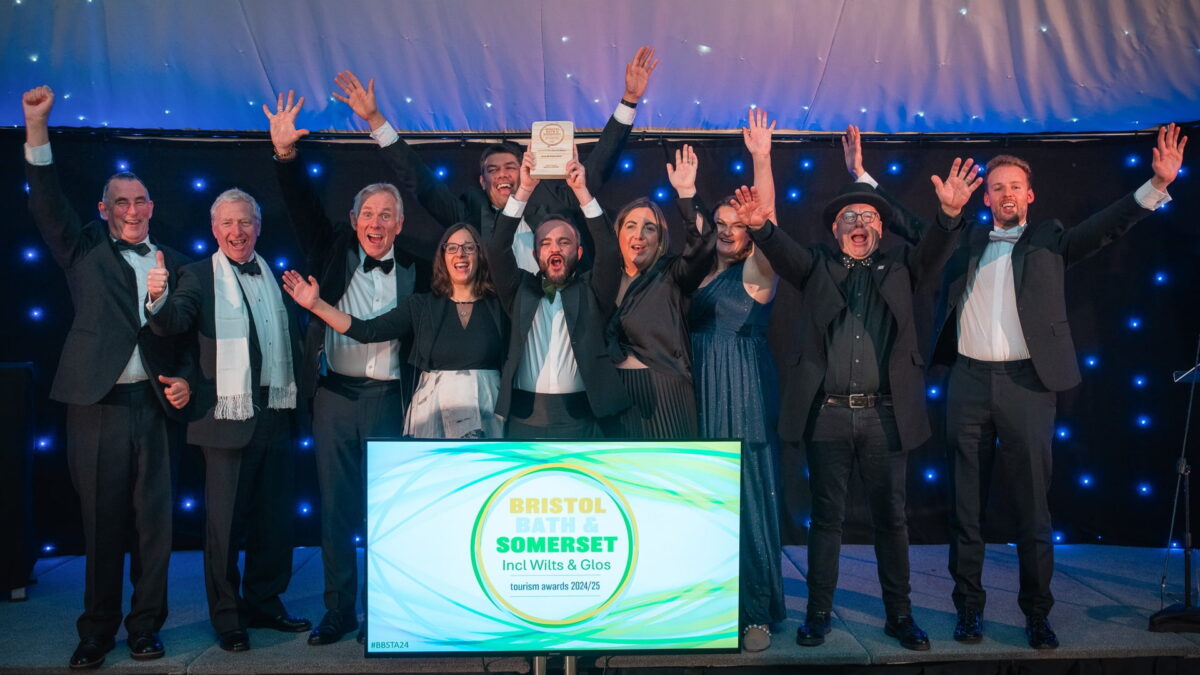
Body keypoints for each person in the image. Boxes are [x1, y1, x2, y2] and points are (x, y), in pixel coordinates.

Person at [935, 124, 1187, 649]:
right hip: (967, 383)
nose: (1005, 194)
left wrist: (1156, 185)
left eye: (1014, 187)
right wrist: (862, 175)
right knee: (965, 509)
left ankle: (1036, 615)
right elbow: (921, 233)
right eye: (996, 187)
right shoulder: (964, 241)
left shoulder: (1050, 238)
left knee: (1032, 509)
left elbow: (1106, 226)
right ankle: (969, 612)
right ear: (986, 197)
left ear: (1029, 195)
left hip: (1028, 385)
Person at [742, 156, 981, 651]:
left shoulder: (901, 267)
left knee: (891, 519)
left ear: (881, 228)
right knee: (826, 518)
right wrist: (762, 229)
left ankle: (900, 615)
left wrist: (949, 216)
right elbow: (783, 252)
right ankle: (818, 614)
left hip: (885, 416)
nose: (859, 223)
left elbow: (936, 248)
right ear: (834, 229)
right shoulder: (817, 265)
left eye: (869, 217)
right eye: (848, 218)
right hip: (826, 415)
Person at [21, 85, 193, 670]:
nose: (133, 210)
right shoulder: (82, 249)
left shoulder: (173, 259)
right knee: (101, 525)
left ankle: (146, 628)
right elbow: (46, 203)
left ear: (151, 206)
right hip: (95, 405)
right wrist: (37, 129)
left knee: (154, 530)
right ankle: (95, 631)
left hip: (154, 406)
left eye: (141, 201)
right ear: (104, 210)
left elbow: (185, 337)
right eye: (121, 202)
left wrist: (187, 381)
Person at [264, 90, 422, 646]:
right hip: (333, 397)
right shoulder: (330, 251)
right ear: (354, 220)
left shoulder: (418, 269)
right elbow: (302, 202)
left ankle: (385, 609)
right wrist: (285, 154)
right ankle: (340, 610)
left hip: (388, 399)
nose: (376, 223)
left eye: (387, 215)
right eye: (368, 214)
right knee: (335, 508)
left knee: (386, 511)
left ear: (400, 224)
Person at [146, 189, 310, 653]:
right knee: (224, 527)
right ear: (214, 230)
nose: (237, 232)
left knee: (274, 521)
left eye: (246, 223)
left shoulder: (275, 274)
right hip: (224, 416)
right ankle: (228, 615)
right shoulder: (197, 276)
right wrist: (157, 299)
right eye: (228, 224)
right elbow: (174, 323)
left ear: (258, 227)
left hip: (274, 414)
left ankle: (265, 601)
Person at [330, 45, 657, 271]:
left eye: (510, 167)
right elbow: (421, 182)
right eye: (493, 170)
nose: (503, 175)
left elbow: (599, 165)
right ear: (482, 181)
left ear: (525, 170)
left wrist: (628, 101)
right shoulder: (469, 211)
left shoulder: (553, 200)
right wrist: (375, 121)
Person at [688, 109, 784, 651]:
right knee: (703, 499)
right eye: (721, 223)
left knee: (745, 496)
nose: (729, 231)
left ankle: (755, 612)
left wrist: (762, 159)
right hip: (698, 390)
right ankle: (706, 605)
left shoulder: (758, 272)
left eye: (738, 223)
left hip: (740, 390)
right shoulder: (703, 270)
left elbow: (768, 220)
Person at [283, 223, 507, 439]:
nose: (461, 254)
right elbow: (368, 330)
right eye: (452, 248)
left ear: (480, 255)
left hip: (486, 409)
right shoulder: (421, 306)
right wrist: (317, 305)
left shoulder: (499, 306)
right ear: (443, 256)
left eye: (469, 248)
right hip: (434, 414)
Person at [490, 150, 631, 438]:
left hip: (583, 417)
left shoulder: (592, 292)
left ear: (578, 253)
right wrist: (525, 190)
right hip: (523, 416)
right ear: (535, 253)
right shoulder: (519, 290)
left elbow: (609, 251)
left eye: (564, 242)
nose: (554, 248)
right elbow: (496, 249)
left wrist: (581, 192)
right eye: (546, 243)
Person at [602, 144, 714, 438]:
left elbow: (703, 244)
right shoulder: (601, 280)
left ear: (660, 239)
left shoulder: (672, 273)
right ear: (618, 234)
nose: (639, 235)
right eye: (631, 226)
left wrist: (687, 192)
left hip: (665, 393)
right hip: (613, 395)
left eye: (649, 228)